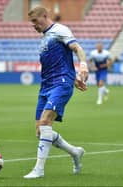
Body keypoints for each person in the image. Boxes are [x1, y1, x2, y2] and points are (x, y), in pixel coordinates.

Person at [24, 6, 89, 179]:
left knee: (45, 122)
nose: (34, 26)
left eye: (35, 22)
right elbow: (59, 61)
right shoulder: (44, 38)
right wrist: (73, 78)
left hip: (60, 84)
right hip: (46, 86)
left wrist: (82, 66)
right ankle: (75, 152)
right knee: (40, 131)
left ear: (45, 16)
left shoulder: (60, 30)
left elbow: (77, 49)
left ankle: (39, 169)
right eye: (32, 24)